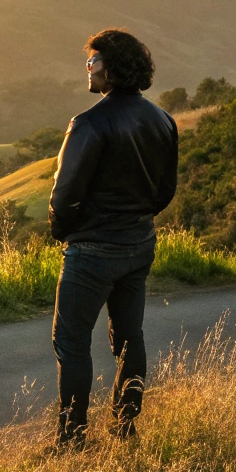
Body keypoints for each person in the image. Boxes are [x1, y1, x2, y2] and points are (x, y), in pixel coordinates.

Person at [47, 29, 178, 448]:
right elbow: (165, 191)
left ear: (111, 67)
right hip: (139, 243)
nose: (88, 68)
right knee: (128, 337)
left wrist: (62, 231)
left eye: (93, 61)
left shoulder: (88, 123)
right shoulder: (162, 120)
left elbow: (64, 194)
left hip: (92, 249)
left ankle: (72, 438)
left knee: (70, 341)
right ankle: (125, 426)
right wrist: (136, 219)